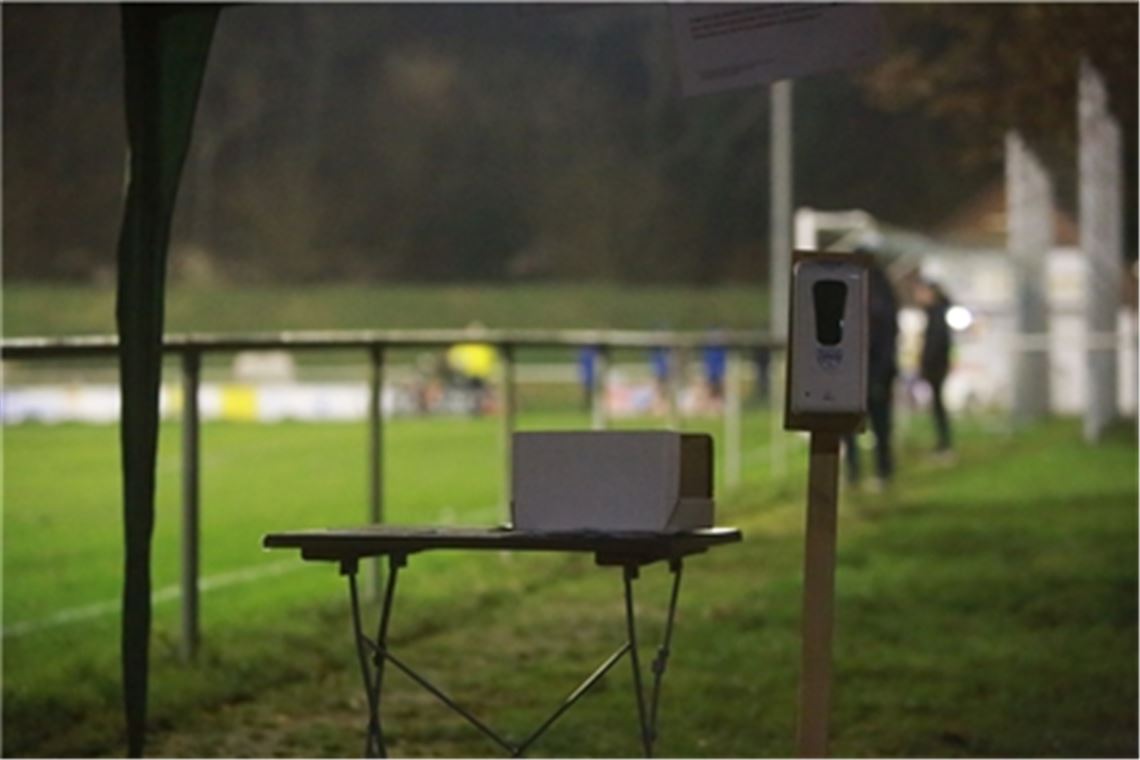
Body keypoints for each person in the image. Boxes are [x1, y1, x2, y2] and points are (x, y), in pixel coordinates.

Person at [845, 259, 899, 491]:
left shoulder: (879, 303)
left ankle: (878, 470)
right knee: (854, 424)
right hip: (864, 372)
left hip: (875, 372)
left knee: (877, 423)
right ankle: (860, 471)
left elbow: (886, 342)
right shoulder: (875, 299)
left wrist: (878, 374)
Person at [915, 279, 954, 458]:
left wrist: (926, 363)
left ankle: (944, 443)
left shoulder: (936, 314)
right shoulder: (936, 312)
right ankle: (943, 442)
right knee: (937, 405)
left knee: (938, 405)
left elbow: (936, 342)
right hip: (938, 365)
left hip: (936, 367)